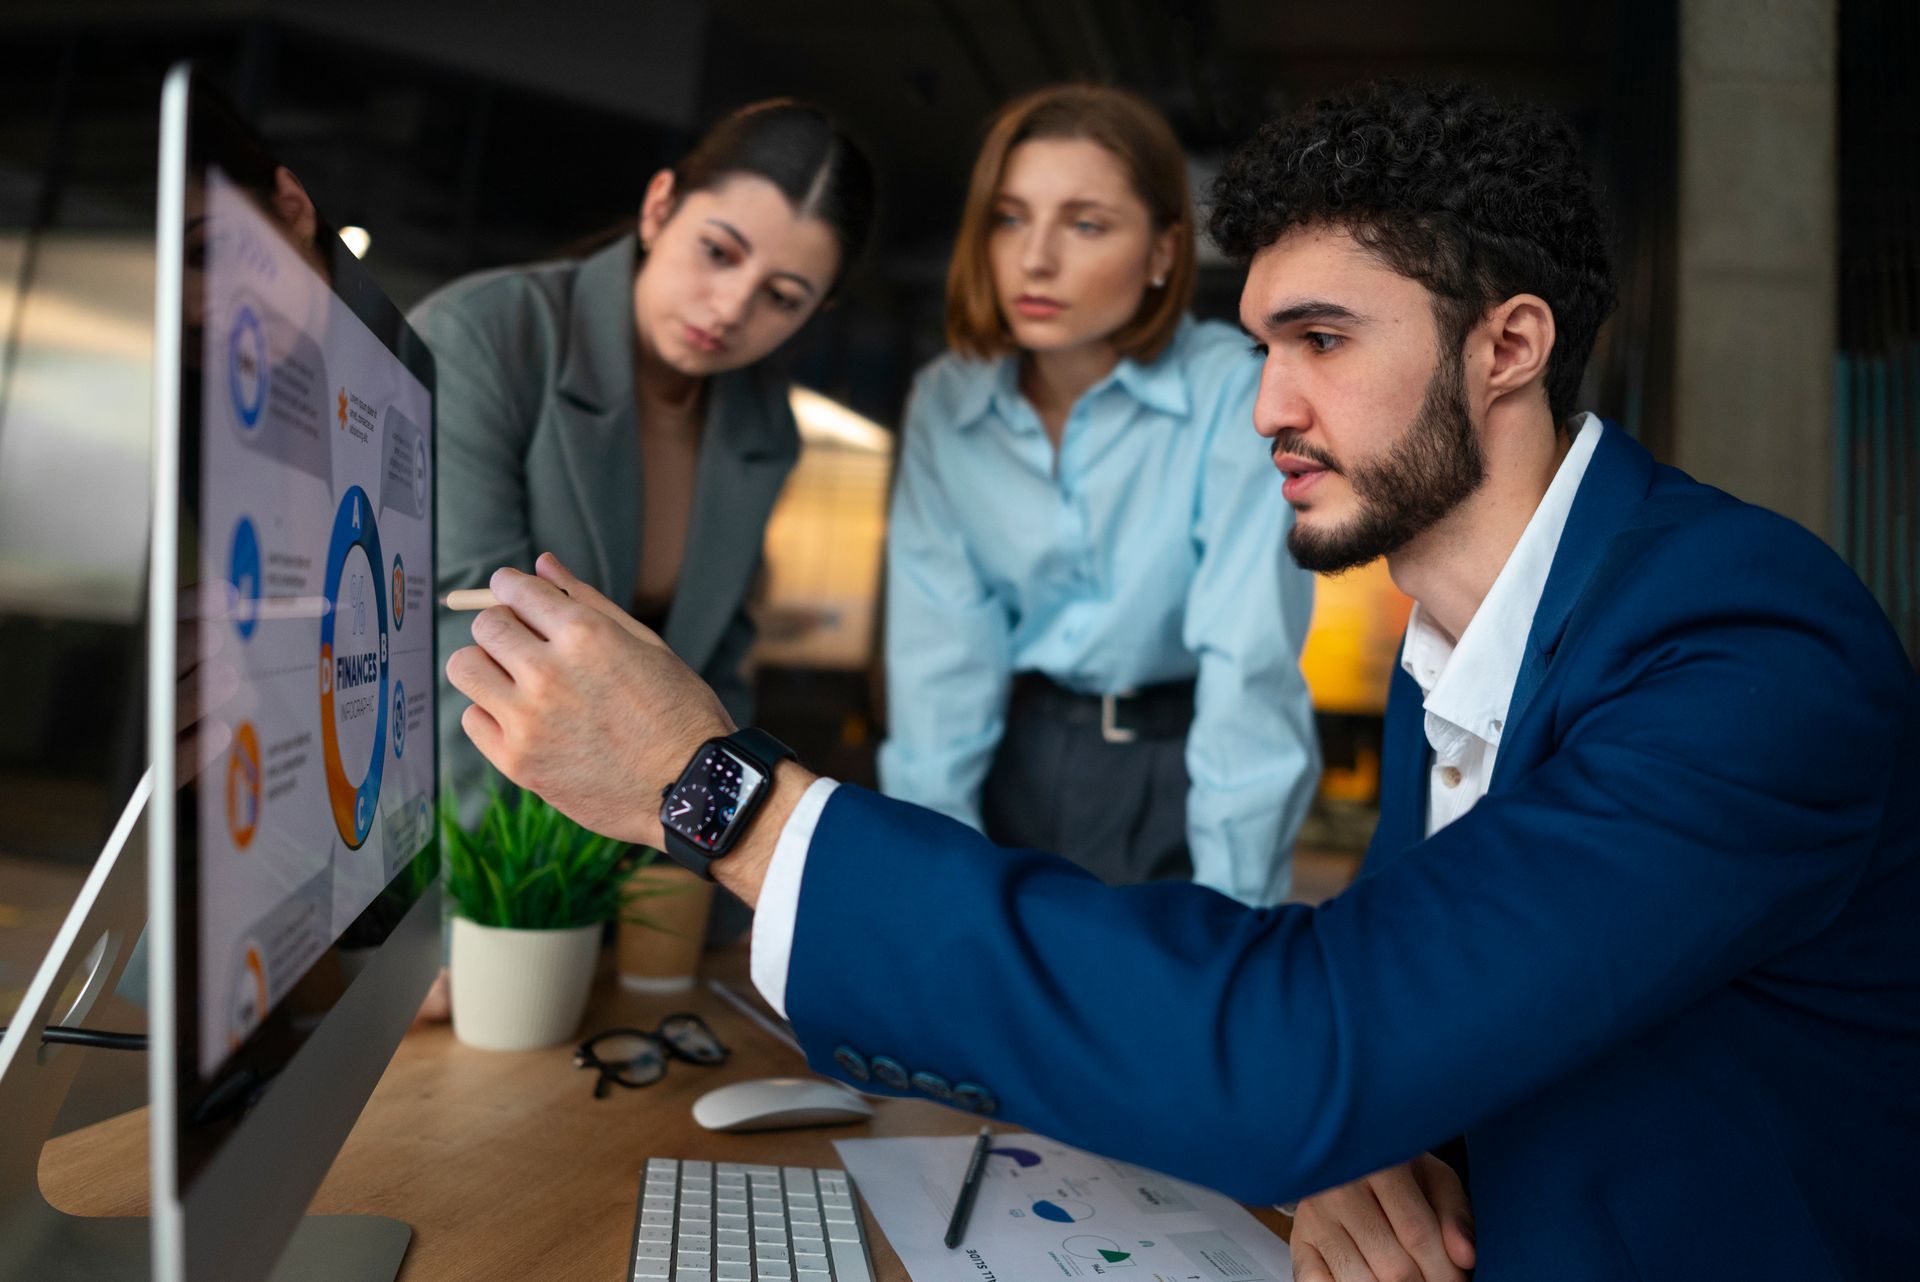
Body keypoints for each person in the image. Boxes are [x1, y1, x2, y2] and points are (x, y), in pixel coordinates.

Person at [444, 80, 1920, 1282]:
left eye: (1324, 342)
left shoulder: (1742, 650)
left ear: (1509, 348)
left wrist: (731, 803)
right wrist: (1372, 1116)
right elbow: (1428, 1004)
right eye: (1268, 342)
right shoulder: (1457, 639)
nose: (1270, 403)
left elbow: (1314, 1035)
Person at [880, 85, 1318, 903]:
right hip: (1011, 754)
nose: (1035, 259)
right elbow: (940, 666)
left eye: (1086, 224)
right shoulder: (948, 401)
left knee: (1162, 1011)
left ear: (1162, 252)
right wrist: (929, 890)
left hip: (1179, 767)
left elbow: (1248, 669)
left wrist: (1234, 915)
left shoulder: (1236, 395)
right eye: (1010, 218)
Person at [411, 99, 875, 822]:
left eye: (781, 298)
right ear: (659, 209)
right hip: (469, 839)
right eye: (718, 252)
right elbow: (462, 658)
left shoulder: (764, 426)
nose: (729, 308)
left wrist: (711, 872)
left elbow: (720, 680)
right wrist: (510, 913)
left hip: (643, 851)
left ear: (816, 314)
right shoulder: (485, 339)